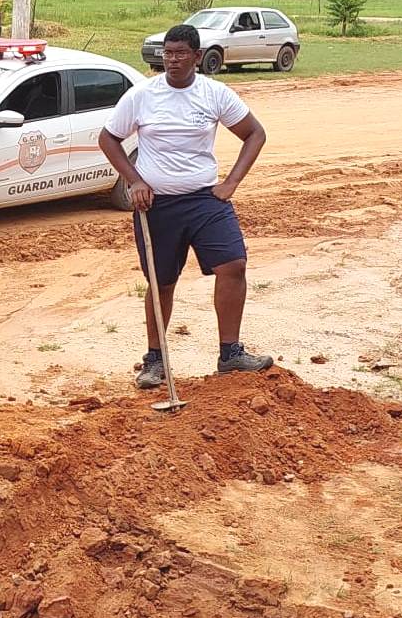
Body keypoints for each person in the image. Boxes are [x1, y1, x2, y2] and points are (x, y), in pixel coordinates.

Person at [99, 23, 273, 390]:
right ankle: (155, 360)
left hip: (205, 199)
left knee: (234, 265)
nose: (173, 60)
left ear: (197, 56)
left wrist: (231, 182)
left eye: (180, 53)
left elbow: (254, 134)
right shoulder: (142, 95)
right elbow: (108, 138)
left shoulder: (214, 94)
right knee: (161, 282)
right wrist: (135, 180)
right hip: (156, 204)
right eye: (167, 53)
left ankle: (230, 354)